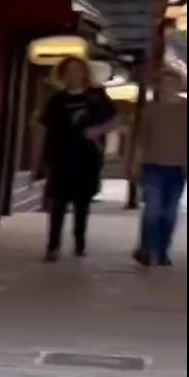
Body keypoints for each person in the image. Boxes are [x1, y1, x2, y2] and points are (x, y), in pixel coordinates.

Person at [37, 57, 122, 261]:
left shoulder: (96, 97)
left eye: (77, 71)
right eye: (69, 71)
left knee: (82, 203)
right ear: (62, 75)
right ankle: (53, 245)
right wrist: (42, 160)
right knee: (58, 203)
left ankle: (79, 241)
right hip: (60, 157)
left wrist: (97, 130)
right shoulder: (57, 100)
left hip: (87, 157)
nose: (73, 75)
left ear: (85, 74)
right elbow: (45, 129)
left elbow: (117, 119)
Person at [132, 67, 187, 267]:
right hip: (152, 165)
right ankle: (146, 249)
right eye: (164, 83)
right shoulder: (150, 109)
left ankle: (162, 250)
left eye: (172, 82)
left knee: (170, 212)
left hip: (178, 169)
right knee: (152, 210)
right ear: (159, 86)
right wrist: (136, 164)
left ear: (180, 85)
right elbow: (141, 140)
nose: (168, 87)